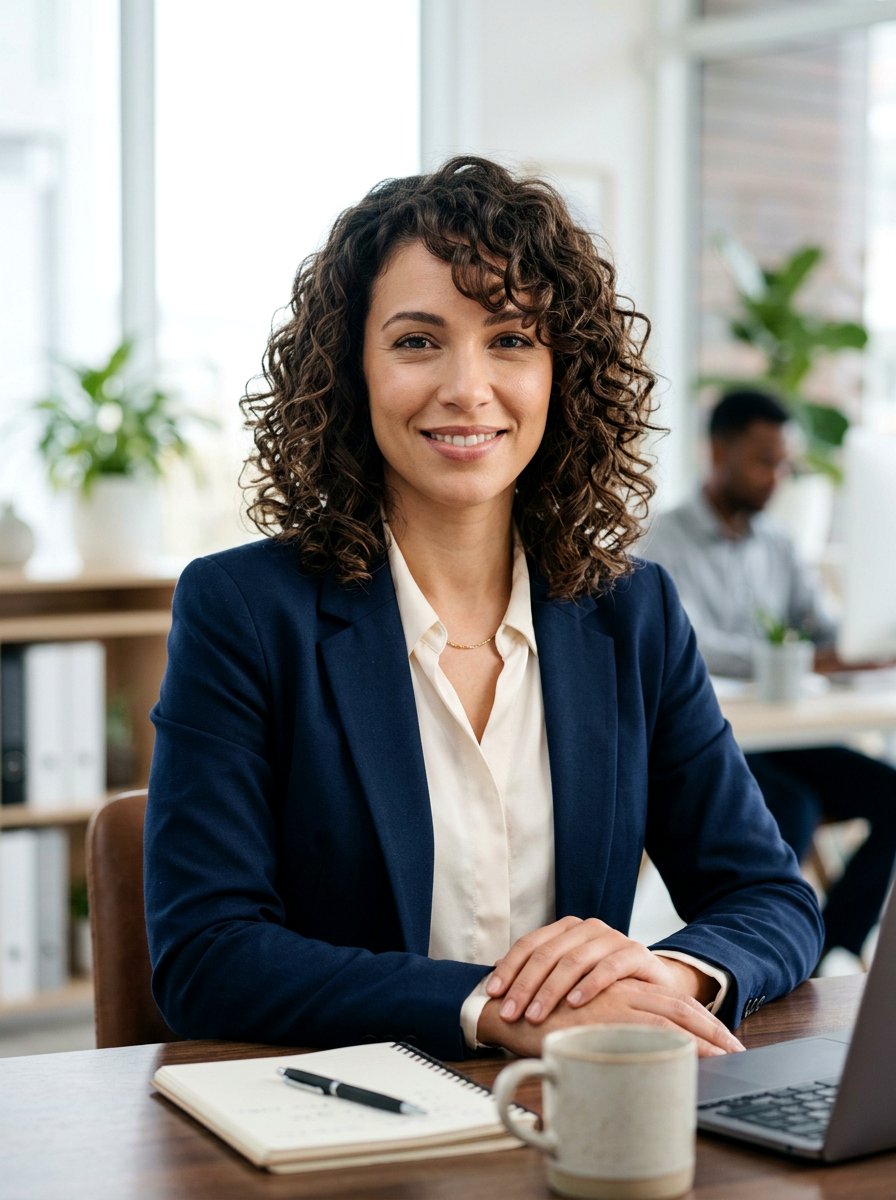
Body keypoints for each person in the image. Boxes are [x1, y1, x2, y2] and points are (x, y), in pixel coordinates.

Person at [144, 158, 822, 1063]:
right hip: (346, 1126)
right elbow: (207, 958)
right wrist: (493, 1007)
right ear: (352, 370)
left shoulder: (633, 613)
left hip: (580, 1116)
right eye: (418, 341)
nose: (467, 387)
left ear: (561, 374)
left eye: (510, 340)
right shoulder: (242, 612)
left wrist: (673, 975)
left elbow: (771, 898)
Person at [643, 388, 896, 972]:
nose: (776, 476)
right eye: (763, 459)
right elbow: (695, 646)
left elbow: (822, 628)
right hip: (719, 739)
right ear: (718, 452)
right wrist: (801, 659)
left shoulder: (778, 542)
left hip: (787, 734)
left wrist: (858, 644)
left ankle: (830, 947)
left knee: (892, 794)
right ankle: (761, 955)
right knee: (792, 807)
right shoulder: (666, 541)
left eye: (783, 462)